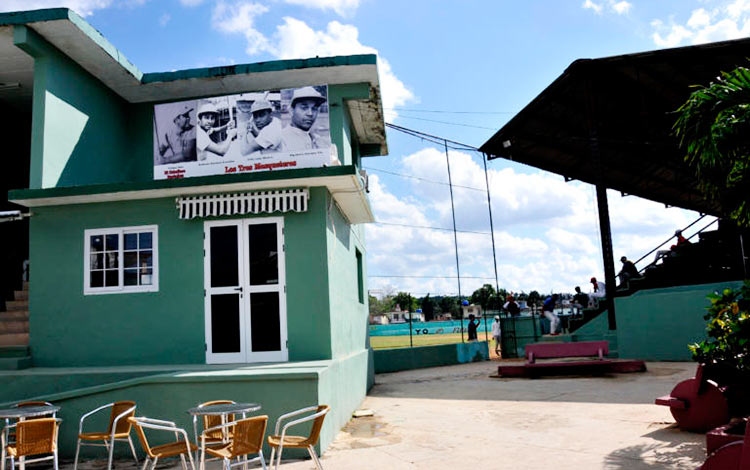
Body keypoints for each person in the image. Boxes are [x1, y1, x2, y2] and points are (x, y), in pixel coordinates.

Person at [281, 86, 326, 151]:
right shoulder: (282, 140)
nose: (310, 113)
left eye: (314, 108)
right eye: (304, 108)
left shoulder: (318, 139)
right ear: (291, 111)